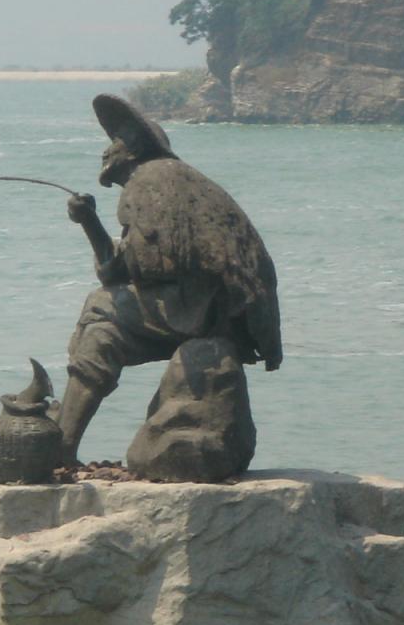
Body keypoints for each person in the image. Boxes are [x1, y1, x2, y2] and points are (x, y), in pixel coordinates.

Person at [58, 95, 282, 466]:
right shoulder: (178, 181)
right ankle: (64, 434)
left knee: (101, 314)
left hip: (201, 309)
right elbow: (133, 264)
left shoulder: (148, 182)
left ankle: (63, 443)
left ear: (133, 149)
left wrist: (89, 223)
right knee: (103, 313)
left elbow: (129, 270)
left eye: (115, 142)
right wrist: (91, 222)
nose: (106, 150)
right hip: (220, 311)